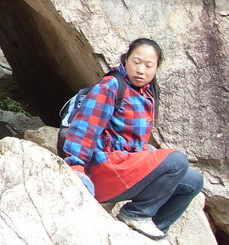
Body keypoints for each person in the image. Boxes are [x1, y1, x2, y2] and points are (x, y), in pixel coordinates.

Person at [63, 38, 203, 242]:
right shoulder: (112, 85)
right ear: (126, 59)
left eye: (148, 65)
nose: (141, 70)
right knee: (176, 160)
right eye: (136, 62)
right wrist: (76, 166)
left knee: (193, 181)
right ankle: (137, 213)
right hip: (105, 170)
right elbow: (85, 127)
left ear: (156, 68)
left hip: (127, 167)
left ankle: (151, 232)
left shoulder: (146, 93)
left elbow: (133, 141)